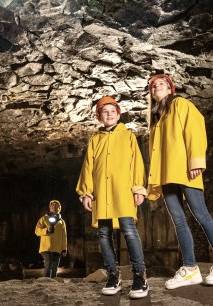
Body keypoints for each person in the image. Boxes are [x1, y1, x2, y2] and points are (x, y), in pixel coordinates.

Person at [147, 74, 213, 289]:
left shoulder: (180, 104)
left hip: (185, 169)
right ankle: (190, 269)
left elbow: (195, 127)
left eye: (162, 84)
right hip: (167, 174)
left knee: (201, 214)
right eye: (153, 86)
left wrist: (196, 160)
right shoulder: (157, 118)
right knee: (178, 220)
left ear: (170, 90)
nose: (157, 87)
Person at [76, 96, 149, 299]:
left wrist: (138, 189)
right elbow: (88, 167)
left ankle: (139, 276)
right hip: (101, 193)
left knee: (129, 230)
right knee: (103, 233)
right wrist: (86, 192)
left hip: (122, 191)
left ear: (118, 114)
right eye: (104, 111)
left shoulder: (128, 136)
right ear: (99, 116)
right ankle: (113, 276)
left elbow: (137, 163)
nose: (109, 114)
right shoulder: (95, 140)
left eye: (112, 110)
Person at [35, 200, 67, 278]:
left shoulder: (62, 222)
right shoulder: (44, 219)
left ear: (59, 208)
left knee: (54, 267)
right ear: (50, 207)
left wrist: (64, 248)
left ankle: (53, 283)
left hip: (57, 248)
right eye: (52, 206)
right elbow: (37, 231)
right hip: (46, 247)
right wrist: (46, 230)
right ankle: (45, 282)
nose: (54, 207)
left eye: (56, 206)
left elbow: (64, 236)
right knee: (48, 264)